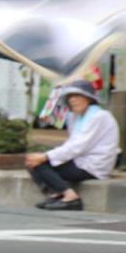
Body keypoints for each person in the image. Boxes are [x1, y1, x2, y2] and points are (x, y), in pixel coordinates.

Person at [25, 79, 119, 211]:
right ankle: (57, 194)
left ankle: (71, 197)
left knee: (40, 163)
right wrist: (46, 156)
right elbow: (72, 144)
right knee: (32, 161)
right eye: (70, 97)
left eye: (77, 96)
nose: (72, 100)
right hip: (79, 160)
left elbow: (78, 146)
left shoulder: (99, 116)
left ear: (88, 98)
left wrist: (46, 156)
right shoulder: (75, 117)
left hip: (93, 165)